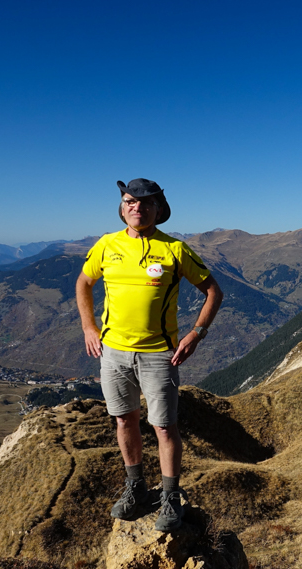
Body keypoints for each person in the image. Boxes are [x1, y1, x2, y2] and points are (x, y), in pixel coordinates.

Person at [75, 178, 223, 532]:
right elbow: (83, 282)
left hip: (158, 353)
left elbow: (213, 291)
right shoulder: (106, 245)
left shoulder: (174, 249)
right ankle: (136, 487)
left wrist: (196, 334)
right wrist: (88, 327)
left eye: (144, 203)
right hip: (113, 352)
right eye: (129, 201)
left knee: (163, 426)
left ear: (159, 209)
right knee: (124, 420)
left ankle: (170, 496)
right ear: (122, 206)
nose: (136, 208)